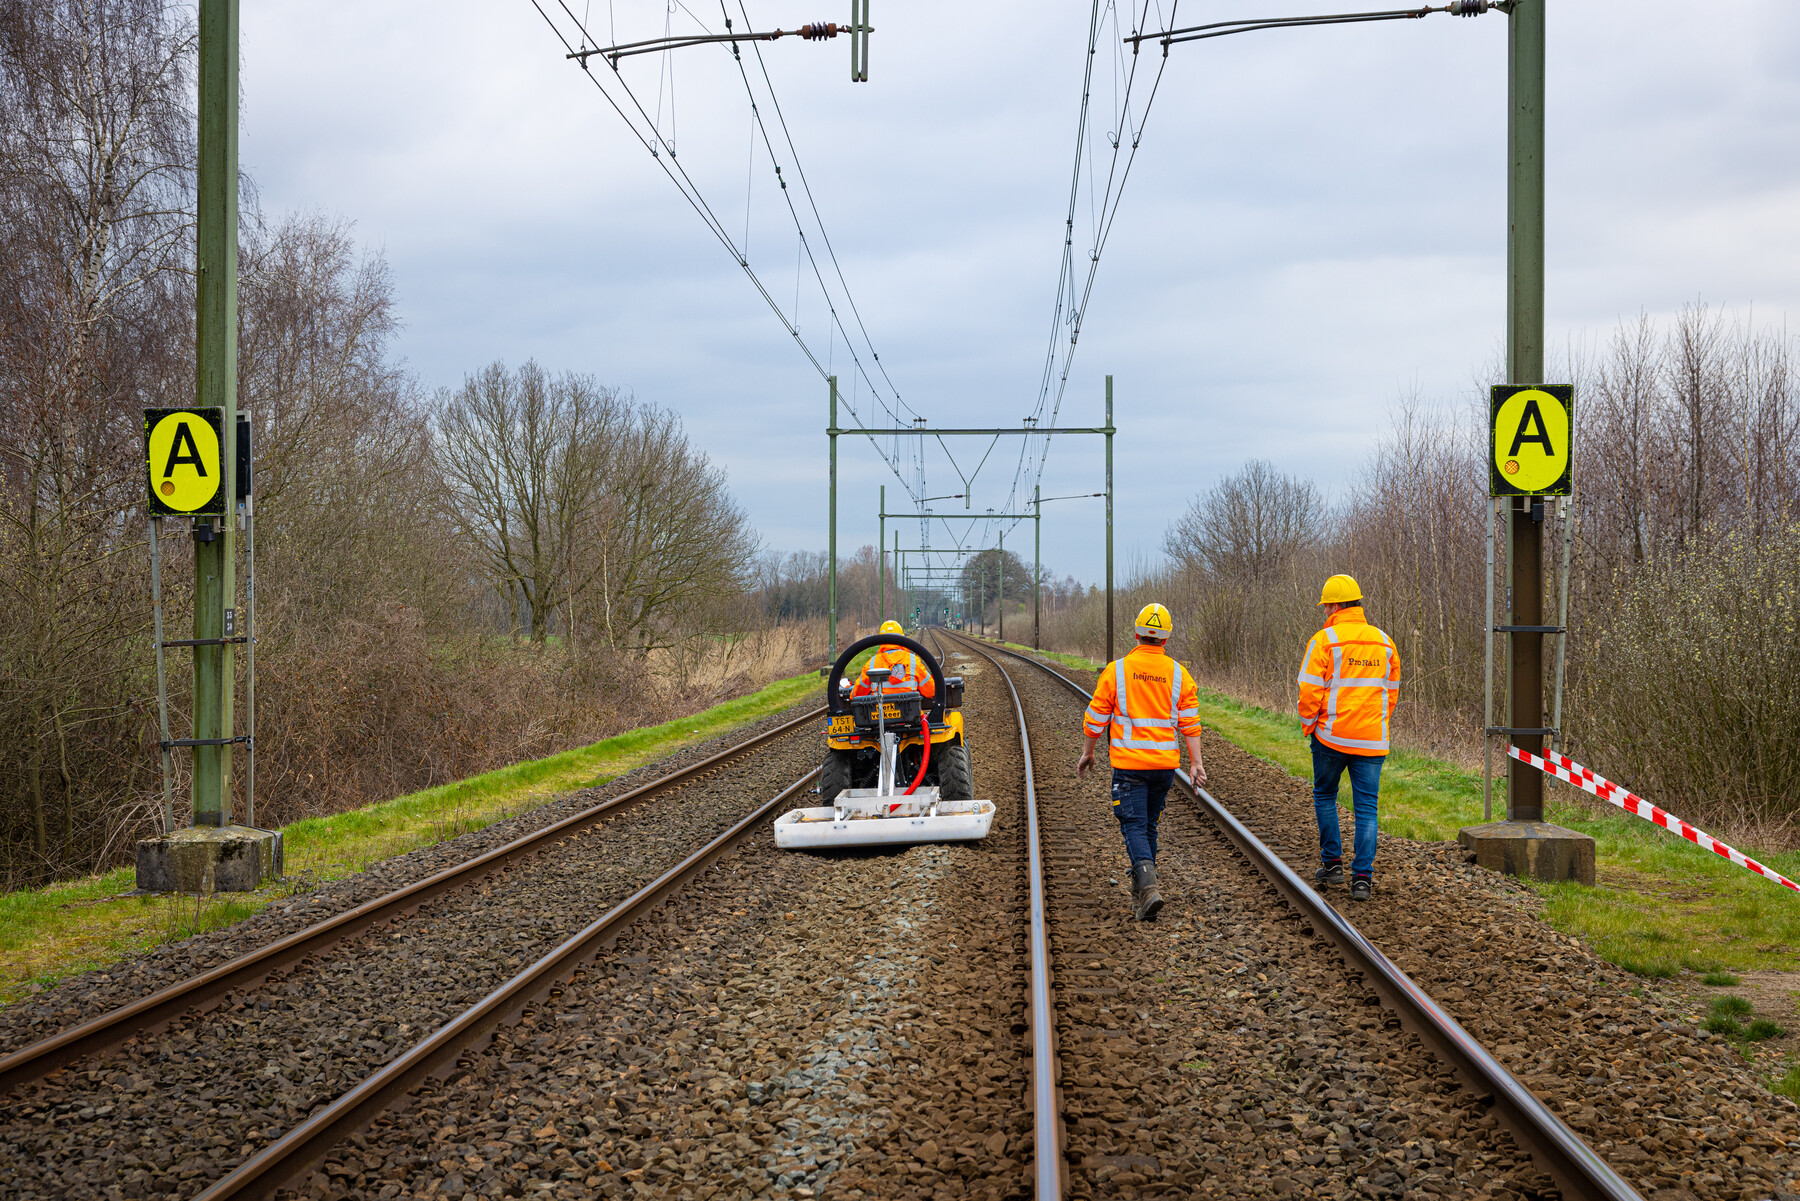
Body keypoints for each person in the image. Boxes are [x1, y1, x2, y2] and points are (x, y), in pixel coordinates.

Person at [1076, 603, 1206, 921]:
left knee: (1133, 824)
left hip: (1130, 765)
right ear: (1166, 639)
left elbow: (1095, 718)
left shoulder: (1117, 671)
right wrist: (1195, 763)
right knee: (1148, 825)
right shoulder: (1178, 674)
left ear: (1136, 635)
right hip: (1164, 767)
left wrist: (1088, 751)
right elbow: (1190, 723)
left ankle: (1149, 886)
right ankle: (1142, 893)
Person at [1297, 574, 1400, 902]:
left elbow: (1308, 691)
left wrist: (1309, 725)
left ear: (1336, 605)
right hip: (1372, 739)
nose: (1325, 611)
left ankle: (1332, 865)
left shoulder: (1325, 640)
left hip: (1331, 736)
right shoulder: (1385, 642)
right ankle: (1362, 880)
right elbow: (1391, 693)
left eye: (1327, 605)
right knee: (1367, 809)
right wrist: (1376, 724)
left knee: (1325, 796)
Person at [852, 619, 937, 699]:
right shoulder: (912, 661)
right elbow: (931, 691)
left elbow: (856, 694)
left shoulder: (872, 663)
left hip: (879, 713)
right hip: (911, 713)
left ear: (879, 640)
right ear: (903, 638)